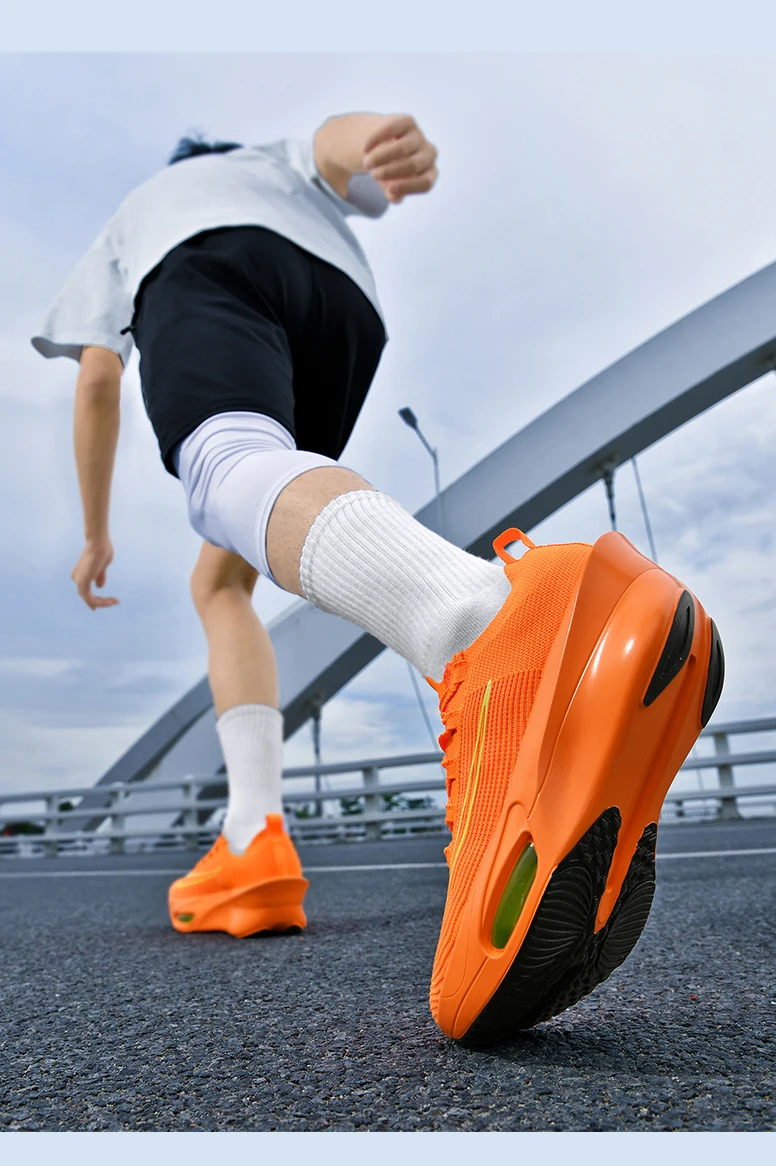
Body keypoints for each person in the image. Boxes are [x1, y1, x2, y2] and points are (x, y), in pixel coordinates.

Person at [31, 111, 723, 1045]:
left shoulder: (146, 207)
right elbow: (334, 143)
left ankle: (483, 624)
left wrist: (93, 533)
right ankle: (252, 840)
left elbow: (98, 381)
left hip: (211, 267)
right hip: (342, 307)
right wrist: (378, 142)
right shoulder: (270, 165)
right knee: (223, 576)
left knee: (225, 464)